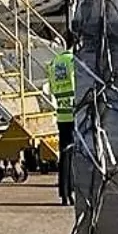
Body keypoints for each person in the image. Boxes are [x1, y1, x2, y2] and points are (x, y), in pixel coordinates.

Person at [47, 47, 77, 206]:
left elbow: (52, 88)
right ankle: (71, 189)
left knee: (64, 154)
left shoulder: (55, 62)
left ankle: (64, 193)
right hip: (75, 112)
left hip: (61, 114)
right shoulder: (74, 61)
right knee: (74, 155)